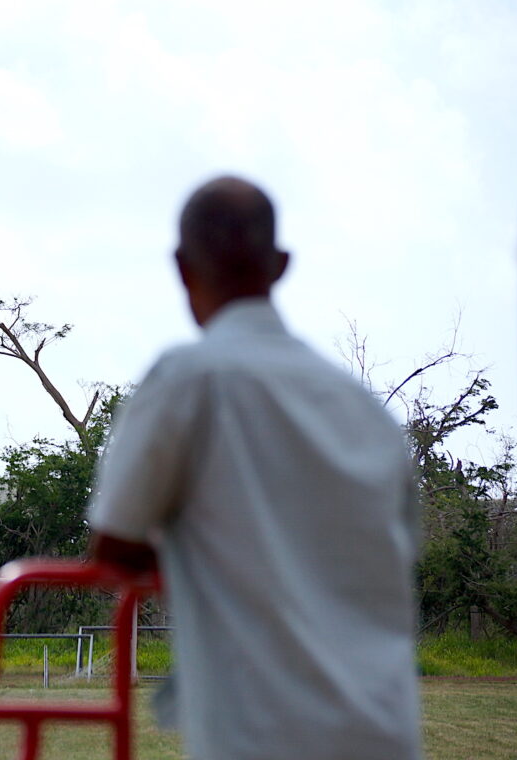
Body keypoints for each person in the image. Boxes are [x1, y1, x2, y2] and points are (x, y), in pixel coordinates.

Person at [88, 176, 423, 759]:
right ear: (281, 265)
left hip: (260, 735)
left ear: (182, 268)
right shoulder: (367, 412)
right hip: (385, 732)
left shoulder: (189, 380)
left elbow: (114, 542)